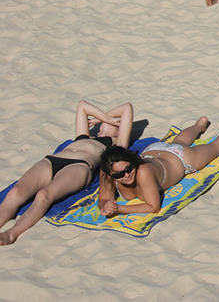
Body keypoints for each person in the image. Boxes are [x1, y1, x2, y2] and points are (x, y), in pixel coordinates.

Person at [0, 100, 133, 246]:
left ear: (119, 129)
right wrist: (105, 119)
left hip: (80, 166)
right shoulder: (83, 135)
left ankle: (11, 233)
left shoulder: (117, 143)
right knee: (15, 193)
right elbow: (82, 105)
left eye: (116, 122)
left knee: (44, 195)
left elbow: (127, 108)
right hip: (52, 161)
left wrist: (102, 119)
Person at [98, 114, 219, 216]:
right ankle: (198, 125)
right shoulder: (107, 171)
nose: (126, 175)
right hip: (157, 151)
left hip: (181, 158)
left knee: (217, 147)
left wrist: (119, 209)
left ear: (133, 162)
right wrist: (106, 207)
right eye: (119, 175)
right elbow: (103, 199)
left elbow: (153, 206)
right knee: (179, 141)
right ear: (111, 174)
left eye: (128, 169)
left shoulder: (143, 172)